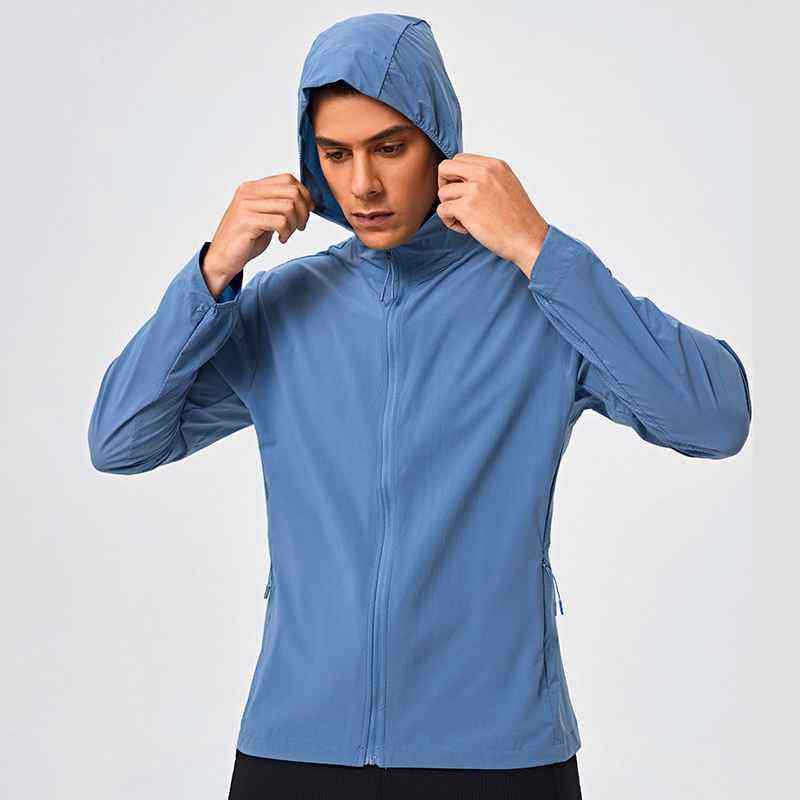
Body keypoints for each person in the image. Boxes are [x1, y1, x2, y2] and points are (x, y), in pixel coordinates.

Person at [87, 12, 751, 800]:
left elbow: (713, 418)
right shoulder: (281, 308)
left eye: (390, 147)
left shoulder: (541, 302)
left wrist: (537, 247)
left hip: (497, 755)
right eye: (336, 154)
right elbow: (120, 439)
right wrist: (211, 273)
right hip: (299, 752)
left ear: (440, 141)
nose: (362, 185)